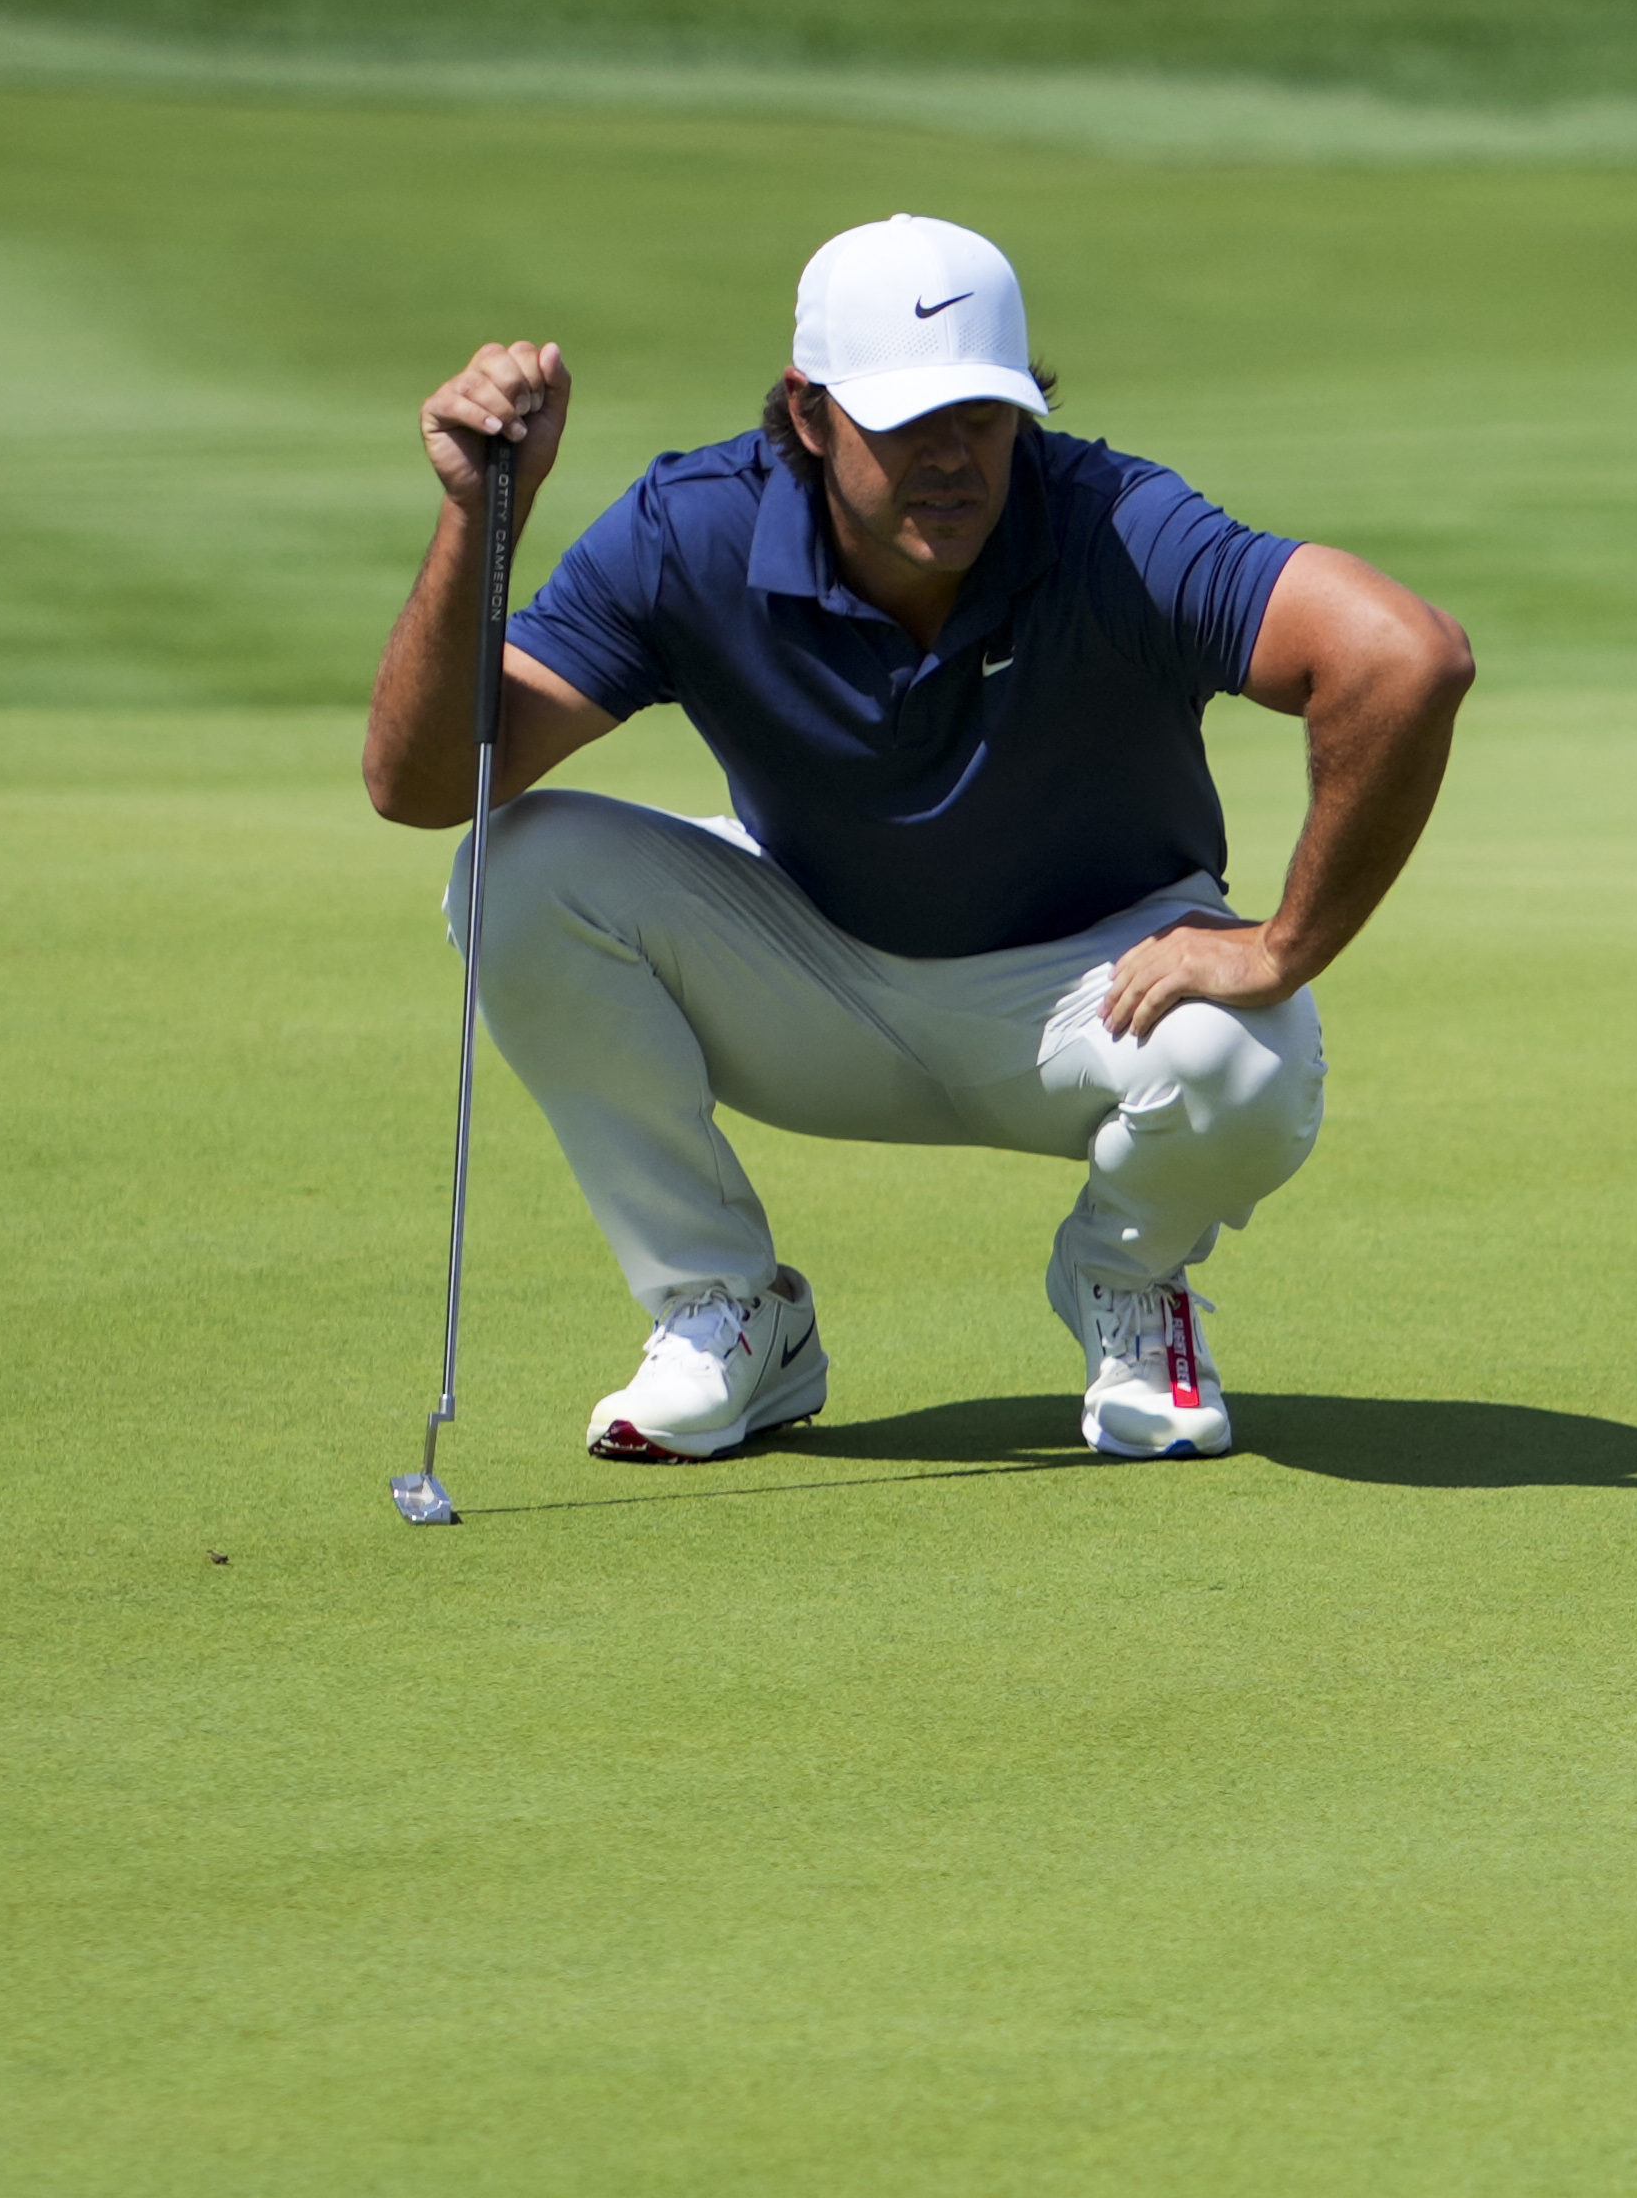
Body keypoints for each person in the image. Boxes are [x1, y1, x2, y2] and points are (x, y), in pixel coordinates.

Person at [364, 214, 1475, 1464]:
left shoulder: (1112, 523)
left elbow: (1404, 657)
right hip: (812, 968)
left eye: (984, 417)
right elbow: (419, 785)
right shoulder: (695, 529)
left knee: (1251, 1055)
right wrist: (477, 521)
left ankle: (1126, 1277)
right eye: (904, 422)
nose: (951, 460)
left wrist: (1278, 947)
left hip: (1089, 996)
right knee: (515, 867)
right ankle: (728, 1311)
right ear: (808, 412)